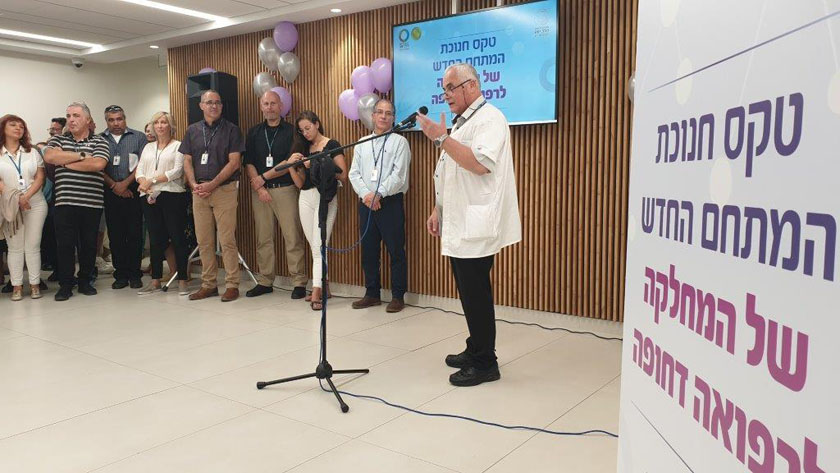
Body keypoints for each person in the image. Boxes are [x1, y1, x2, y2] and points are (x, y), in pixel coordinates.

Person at [416, 63, 522, 387]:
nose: (445, 95)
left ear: (472, 85)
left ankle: (486, 363)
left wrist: (441, 138)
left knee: (476, 295)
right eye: (444, 89)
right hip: (459, 221)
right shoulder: (465, 122)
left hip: (476, 224)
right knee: (467, 292)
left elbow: (478, 164)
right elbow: (451, 174)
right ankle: (475, 348)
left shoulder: (491, 119)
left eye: (451, 88)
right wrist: (437, 210)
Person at [180, 90, 244, 302]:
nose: (213, 106)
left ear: (222, 106)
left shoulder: (232, 130)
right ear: (201, 106)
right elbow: (187, 160)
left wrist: (213, 184)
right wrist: (193, 184)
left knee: (227, 240)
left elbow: (235, 162)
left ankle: (232, 285)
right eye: (209, 102)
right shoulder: (192, 130)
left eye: (217, 102)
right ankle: (208, 285)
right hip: (199, 192)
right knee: (204, 241)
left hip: (224, 190)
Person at [348, 98, 410, 313]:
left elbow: (399, 175)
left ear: (393, 118)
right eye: (380, 112)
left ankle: (397, 296)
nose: (384, 116)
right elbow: (354, 173)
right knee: (369, 250)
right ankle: (372, 293)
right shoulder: (362, 142)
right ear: (373, 115)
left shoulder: (400, 142)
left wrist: (379, 194)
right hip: (366, 202)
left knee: (396, 250)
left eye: (388, 113)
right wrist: (367, 195)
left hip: (390, 202)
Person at [244, 91, 308, 299]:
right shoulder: (254, 132)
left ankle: (298, 282)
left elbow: (290, 162)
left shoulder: (292, 131)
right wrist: (259, 187)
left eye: (273, 103)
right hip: (260, 193)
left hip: (285, 189)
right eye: (266, 104)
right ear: (261, 106)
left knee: (292, 237)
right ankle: (265, 280)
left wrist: (263, 178)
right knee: (263, 238)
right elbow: (248, 162)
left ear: (281, 106)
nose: (269, 107)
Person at [44, 102, 110, 301]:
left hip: (91, 203)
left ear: (88, 120)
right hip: (64, 202)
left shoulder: (100, 141)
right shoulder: (58, 139)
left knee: (88, 245)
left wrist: (65, 162)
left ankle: (85, 281)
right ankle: (65, 284)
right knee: (65, 245)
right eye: (69, 116)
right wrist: (81, 156)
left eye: (76, 115)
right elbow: (50, 156)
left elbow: (97, 164)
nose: (71, 120)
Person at [286, 111, 347, 311]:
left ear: (317, 124)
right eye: (302, 131)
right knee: (314, 246)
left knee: (319, 246)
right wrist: (291, 166)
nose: (306, 133)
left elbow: (342, 175)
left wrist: (314, 163)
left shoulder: (331, 144)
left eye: (308, 128)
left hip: (326, 196)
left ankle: (316, 292)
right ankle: (324, 286)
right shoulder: (303, 148)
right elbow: (300, 184)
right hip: (306, 197)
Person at [136, 111, 189, 296]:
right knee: (155, 239)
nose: (159, 125)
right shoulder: (148, 147)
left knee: (177, 237)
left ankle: (183, 280)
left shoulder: (178, 146)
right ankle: (155, 280)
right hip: (149, 195)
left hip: (172, 195)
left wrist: (152, 180)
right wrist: (143, 183)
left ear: (170, 126)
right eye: (157, 122)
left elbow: (177, 171)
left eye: (164, 122)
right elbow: (140, 170)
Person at [0, 115, 48, 300]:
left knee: (33, 245)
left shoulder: (32, 152)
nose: (18, 128)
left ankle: (35, 285)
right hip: (10, 205)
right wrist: (17, 198)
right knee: (14, 247)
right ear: (3, 129)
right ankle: (17, 286)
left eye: (21, 126)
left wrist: (26, 197)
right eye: (13, 125)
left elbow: (40, 177)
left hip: (35, 203)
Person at [101, 105, 147, 289]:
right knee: (115, 235)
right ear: (106, 121)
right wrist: (115, 186)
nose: (116, 123)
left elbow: (143, 164)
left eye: (119, 119)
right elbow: (97, 167)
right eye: (111, 120)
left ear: (125, 119)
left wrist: (125, 184)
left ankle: (135, 274)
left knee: (135, 233)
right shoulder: (99, 139)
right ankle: (120, 274)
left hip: (133, 190)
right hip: (109, 191)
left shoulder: (138, 137)